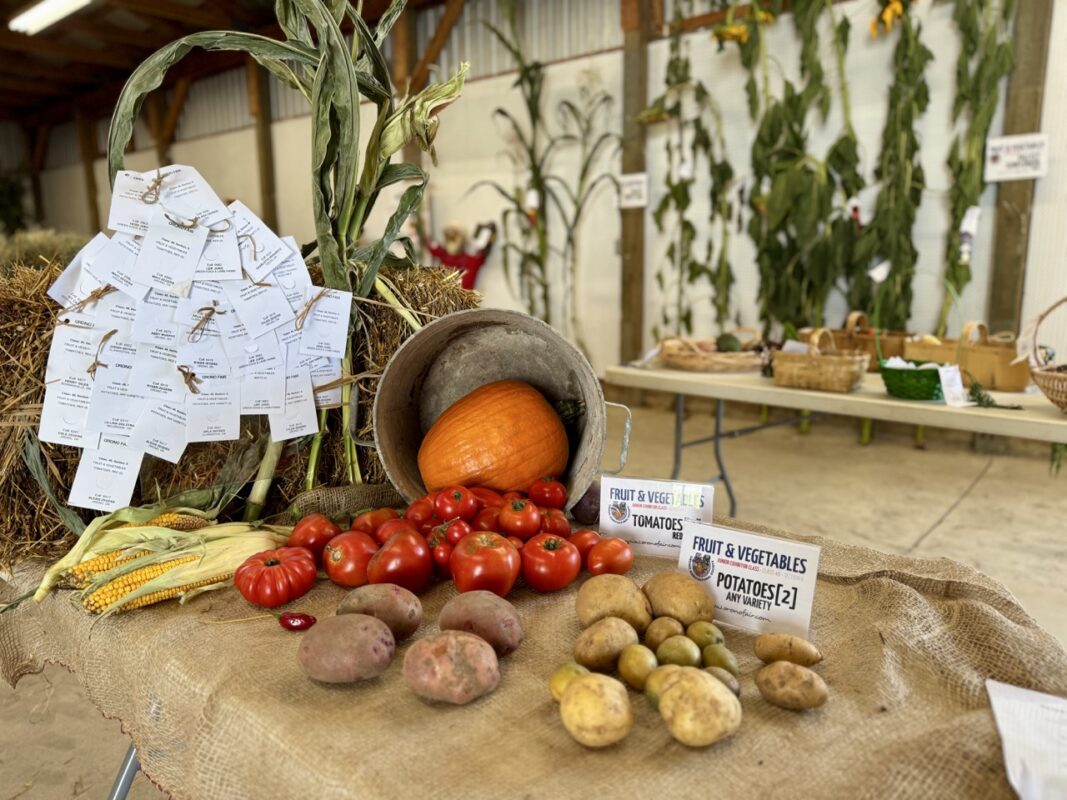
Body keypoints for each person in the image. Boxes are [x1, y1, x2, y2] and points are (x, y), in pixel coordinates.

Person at [425, 221, 496, 290]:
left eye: (454, 237)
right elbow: (433, 246)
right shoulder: (444, 254)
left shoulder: (468, 259)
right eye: (449, 237)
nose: (451, 241)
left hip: (458, 293)